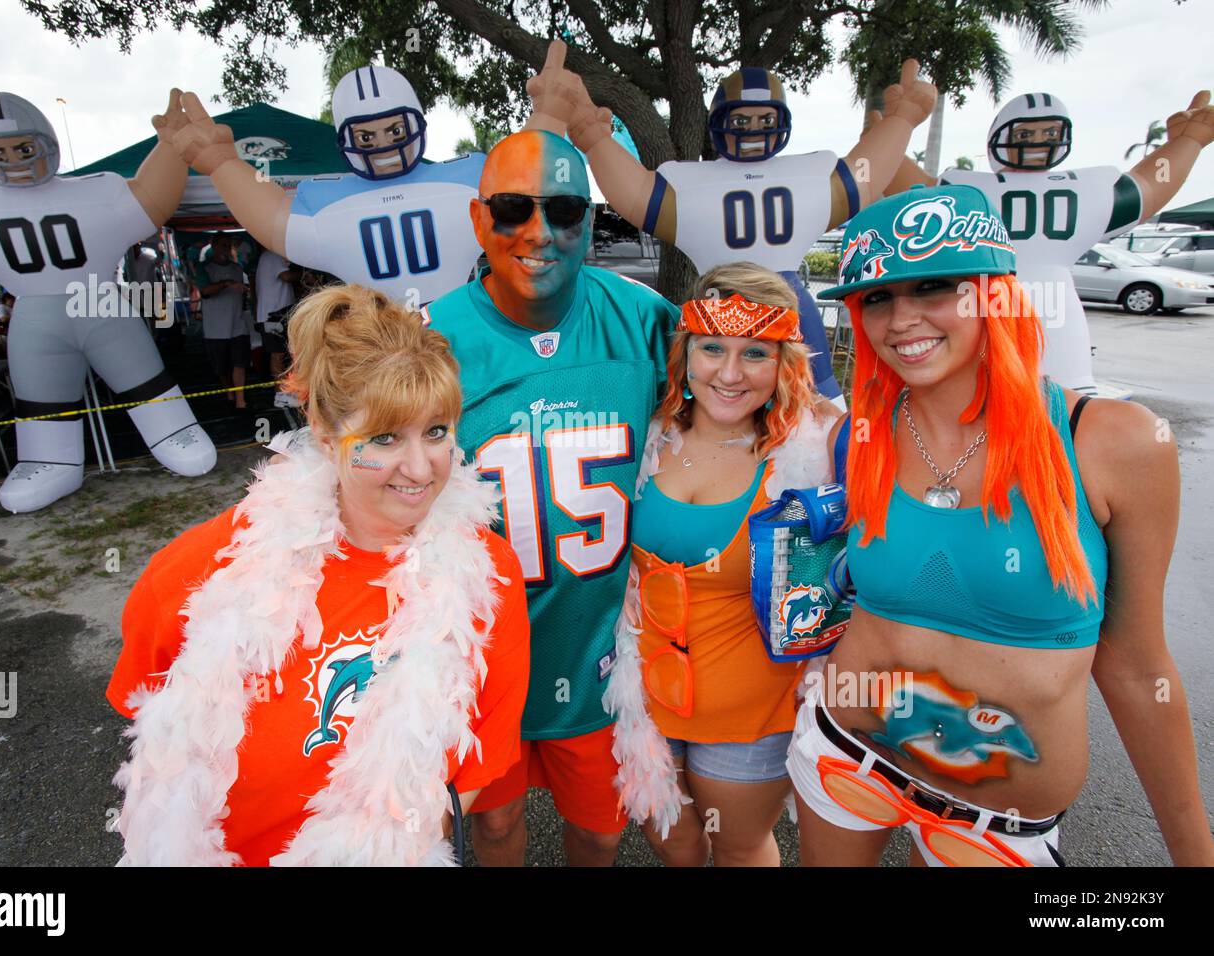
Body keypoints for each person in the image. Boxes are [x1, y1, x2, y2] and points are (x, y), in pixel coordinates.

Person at [783, 183, 1214, 866]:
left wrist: (1195, 854)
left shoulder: (1111, 441)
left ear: (996, 292)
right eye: (878, 298)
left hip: (998, 823)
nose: (900, 321)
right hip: (844, 760)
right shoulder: (857, 437)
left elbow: (1137, 670)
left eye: (934, 287)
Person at [108, 283, 531, 866]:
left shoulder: (489, 576)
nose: (419, 467)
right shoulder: (199, 570)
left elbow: (475, 761)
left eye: (436, 431)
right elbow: (153, 725)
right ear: (327, 436)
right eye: (383, 438)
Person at [421, 125, 680, 866]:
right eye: (512, 208)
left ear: (591, 222)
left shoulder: (642, 317)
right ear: (479, 219)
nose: (540, 231)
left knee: (602, 827)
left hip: (600, 642)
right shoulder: (431, 340)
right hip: (483, 652)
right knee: (496, 825)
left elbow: (730, 413)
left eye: (565, 210)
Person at [530, 43, 937, 407]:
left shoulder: (694, 186)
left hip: (722, 309)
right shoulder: (808, 178)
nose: (754, 130)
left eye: (763, 120)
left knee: (796, 407)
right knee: (791, 405)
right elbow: (863, 177)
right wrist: (901, 120)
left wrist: (591, 134)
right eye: (742, 122)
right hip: (765, 307)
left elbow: (635, 194)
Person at [624, 263, 838, 866]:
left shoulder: (817, 449)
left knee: (740, 848)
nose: (729, 372)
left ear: (785, 363)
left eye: (755, 353)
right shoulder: (647, 433)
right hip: (643, 702)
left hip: (753, 712)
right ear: (686, 352)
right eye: (712, 347)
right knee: (676, 844)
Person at [0, 89, 216, 513]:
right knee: (42, 394)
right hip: (41, 314)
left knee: (145, 378)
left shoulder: (93, 191)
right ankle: (49, 459)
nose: (12, 160)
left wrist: (169, 147)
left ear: (44, 142)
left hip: (98, 303)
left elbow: (151, 200)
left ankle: (174, 430)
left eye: (22, 147)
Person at [883, 89, 1214, 392]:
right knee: (1019, 395)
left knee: (1049, 400)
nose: (1037, 143)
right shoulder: (1081, 189)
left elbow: (908, 185)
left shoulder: (967, 189)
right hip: (1019, 305)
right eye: (1026, 134)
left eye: (1048, 134)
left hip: (995, 303)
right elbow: (1146, 189)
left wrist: (890, 129)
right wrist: (1188, 143)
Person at [164, 65, 485, 307]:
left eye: (395, 131)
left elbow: (528, 183)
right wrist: (222, 163)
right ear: (348, 139)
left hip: (454, 343)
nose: (385, 145)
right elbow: (274, 219)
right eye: (367, 137)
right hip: (383, 349)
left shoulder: (468, 180)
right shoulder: (465, 182)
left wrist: (223, 163)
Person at [197, 232, 250, 409]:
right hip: (215, 328)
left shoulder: (237, 268)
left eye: (229, 245)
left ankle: (241, 399)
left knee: (239, 362)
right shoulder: (204, 268)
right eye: (223, 245)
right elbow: (205, 291)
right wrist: (226, 284)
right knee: (221, 368)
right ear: (214, 246)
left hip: (238, 324)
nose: (226, 249)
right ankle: (230, 390)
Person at [253, 247, 297, 406]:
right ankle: (281, 393)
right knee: (278, 354)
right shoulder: (273, 255)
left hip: (274, 314)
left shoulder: (266, 257)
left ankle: (284, 392)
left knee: (281, 353)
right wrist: (304, 274)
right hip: (274, 315)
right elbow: (286, 276)